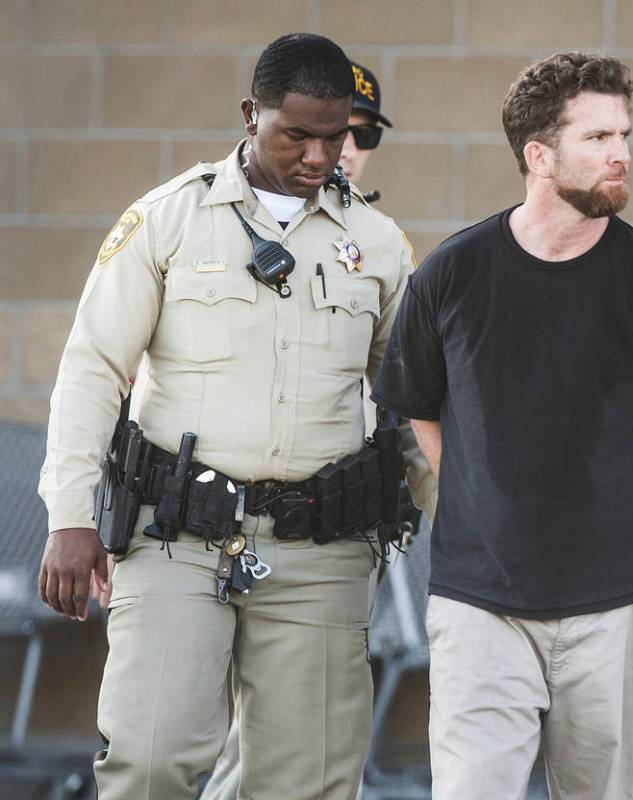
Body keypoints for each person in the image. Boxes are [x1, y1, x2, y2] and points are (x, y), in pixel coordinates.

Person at [36, 33, 432, 800]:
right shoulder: (168, 221)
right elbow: (92, 368)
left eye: (337, 137)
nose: (320, 157)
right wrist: (69, 515)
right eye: (298, 135)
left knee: (308, 781)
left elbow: (413, 406)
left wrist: (469, 538)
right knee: (149, 764)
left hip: (321, 547)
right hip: (177, 534)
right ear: (252, 116)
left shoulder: (378, 247)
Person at [371, 52, 633, 799]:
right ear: (539, 155)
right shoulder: (452, 274)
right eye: (597, 137)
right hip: (479, 603)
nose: (621, 153)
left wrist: (612, 507)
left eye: (624, 134)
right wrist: (488, 496)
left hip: (617, 607)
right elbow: (420, 411)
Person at [197, 56, 405, 800]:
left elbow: (405, 396)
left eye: (358, 134)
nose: (340, 148)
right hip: (201, 519)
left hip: (323, 531)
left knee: (296, 753)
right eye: (321, 131)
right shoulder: (199, 218)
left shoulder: (380, 243)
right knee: (193, 741)